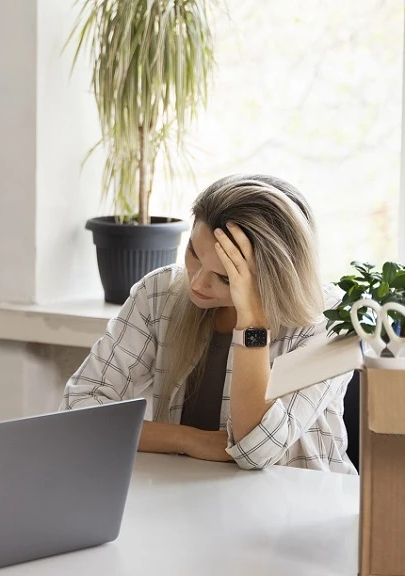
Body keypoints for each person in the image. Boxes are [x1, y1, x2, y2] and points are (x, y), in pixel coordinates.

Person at [61, 174, 354, 474]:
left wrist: (251, 322)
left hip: (302, 507)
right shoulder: (159, 293)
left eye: (225, 277)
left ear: (274, 276)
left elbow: (256, 450)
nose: (197, 282)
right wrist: (188, 440)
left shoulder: (331, 320)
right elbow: (78, 410)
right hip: (188, 498)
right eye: (193, 253)